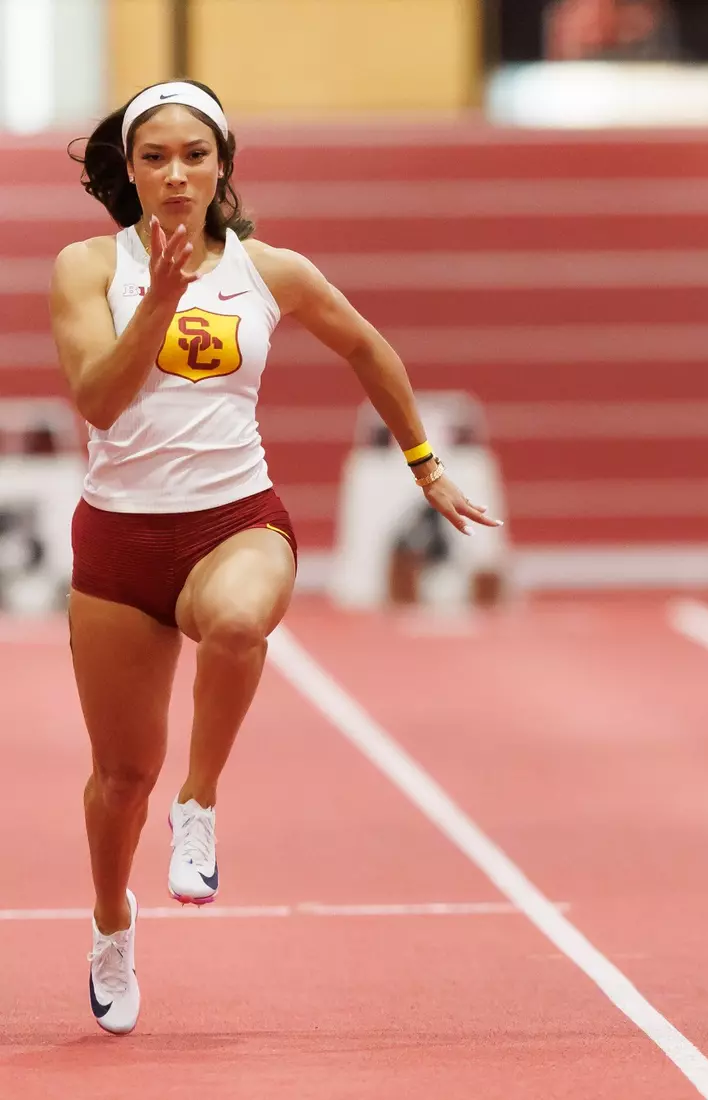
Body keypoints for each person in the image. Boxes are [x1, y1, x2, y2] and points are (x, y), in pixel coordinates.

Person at [51, 80, 499, 1035]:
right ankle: (111, 923)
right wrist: (156, 303)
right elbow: (99, 400)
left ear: (224, 167)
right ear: (128, 171)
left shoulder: (271, 271)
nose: (176, 176)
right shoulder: (88, 267)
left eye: (195, 156)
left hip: (233, 521)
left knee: (242, 620)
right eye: (156, 158)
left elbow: (369, 348)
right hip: (119, 538)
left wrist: (425, 466)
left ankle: (202, 804)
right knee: (118, 781)